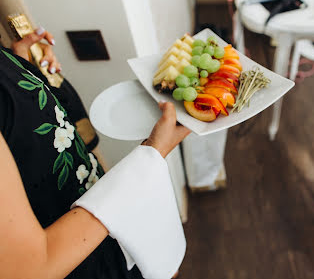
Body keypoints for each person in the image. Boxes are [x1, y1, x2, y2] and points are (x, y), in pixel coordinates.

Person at [0, 28, 190, 278]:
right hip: (83, 261)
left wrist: (21, 69)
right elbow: (33, 268)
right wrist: (152, 153)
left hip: (95, 216)